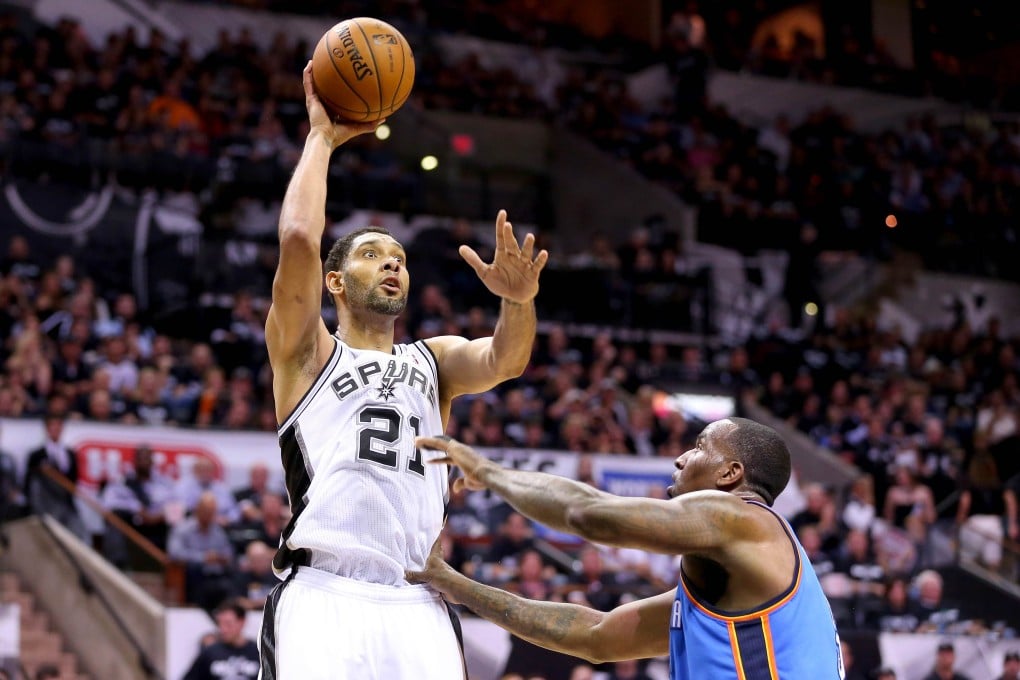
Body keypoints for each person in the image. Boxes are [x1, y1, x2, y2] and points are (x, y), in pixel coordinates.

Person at [258, 61, 548, 680]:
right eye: (372, 254)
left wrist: (518, 302)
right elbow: (299, 240)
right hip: (323, 594)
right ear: (335, 282)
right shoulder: (307, 352)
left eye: (399, 258)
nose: (392, 264)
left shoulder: (433, 360)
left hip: (417, 595)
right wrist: (322, 138)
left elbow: (506, 360)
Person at [409, 417, 845, 679]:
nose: (680, 459)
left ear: (730, 474)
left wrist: (490, 472)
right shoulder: (730, 585)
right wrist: (455, 585)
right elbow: (594, 636)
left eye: (698, 447)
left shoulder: (740, 518)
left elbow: (589, 514)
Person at [182, 598, 259, 680]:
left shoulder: (258, 653)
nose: (223, 629)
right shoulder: (210, 652)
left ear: (242, 622)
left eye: (228, 624)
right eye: (220, 624)